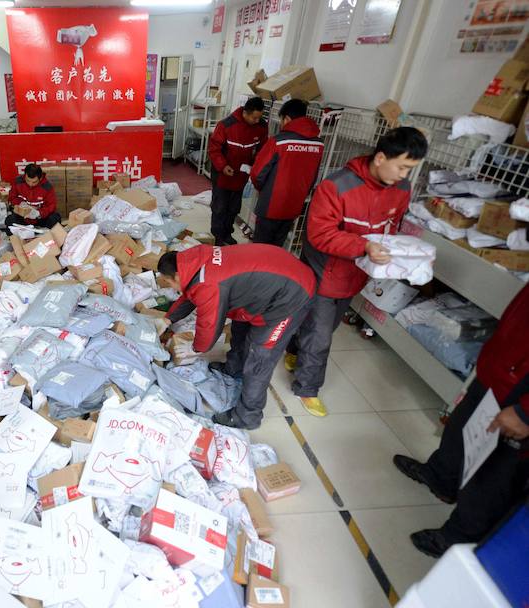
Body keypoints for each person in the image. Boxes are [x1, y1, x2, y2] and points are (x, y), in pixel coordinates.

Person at [285, 127, 428, 418]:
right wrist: (365, 245)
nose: (404, 175)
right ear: (380, 157)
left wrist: (396, 251)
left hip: (356, 274)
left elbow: (392, 227)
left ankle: (294, 348)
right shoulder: (337, 186)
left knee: (323, 327)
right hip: (322, 271)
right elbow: (319, 234)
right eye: (401, 166)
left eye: (410, 169)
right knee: (321, 335)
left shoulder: (401, 190)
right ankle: (307, 388)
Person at [393, 283, 529, 558]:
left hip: (520, 397)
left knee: (493, 471)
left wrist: (526, 412)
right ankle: (440, 477)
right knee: (461, 429)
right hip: (500, 369)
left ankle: (457, 539)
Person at [159, 244, 315, 430]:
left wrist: (195, 348)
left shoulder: (210, 283)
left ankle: (247, 416)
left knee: (260, 357)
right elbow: (191, 292)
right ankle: (234, 369)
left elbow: (209, 327)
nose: (171, 287)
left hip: (291, 296)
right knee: (240, 330)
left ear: (176, 276)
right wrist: (168, 319)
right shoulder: (194, 262)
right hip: (273, 278)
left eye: (168, 283)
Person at [249, 99, 324, 247]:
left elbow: (258, 174)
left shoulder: (278, 142)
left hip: (271, 205)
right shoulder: (318, 144)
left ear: (287, 118)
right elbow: (313, 176)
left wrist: (261, 190)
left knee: (259, 248)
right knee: (277, 248)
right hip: (294, 206)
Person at [207, 97, 268, 246]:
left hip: (241, 176)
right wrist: (223, 166)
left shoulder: (261, 126)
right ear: (245, 113)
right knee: (219, 207)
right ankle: (218, 237)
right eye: (254, 117)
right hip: (223, 174)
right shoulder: (226, 125)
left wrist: (255, 166)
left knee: (234, 208)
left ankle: (227, 234)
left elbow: (262, 150)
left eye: (259, 118)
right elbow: (214, 149)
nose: (256, 121)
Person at [5, 163, 60, 231]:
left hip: (40, 218)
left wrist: (39, 213)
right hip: (23, 217)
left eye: (34, 182)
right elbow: (12, 197)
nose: (30, 184)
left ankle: (42, 235)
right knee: (9, 220)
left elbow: (51, 206)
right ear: (25, 175)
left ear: (40, 178)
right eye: (28, 180)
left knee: (55, 219)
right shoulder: (18, 182)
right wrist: (21, 204)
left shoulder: (47, 187)